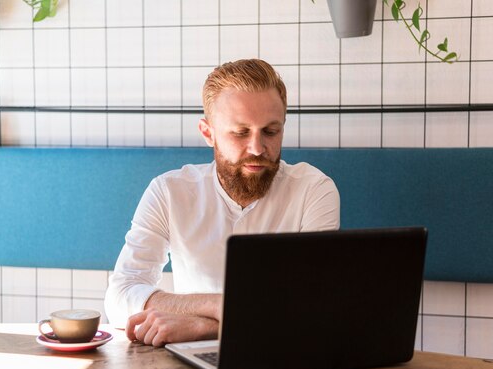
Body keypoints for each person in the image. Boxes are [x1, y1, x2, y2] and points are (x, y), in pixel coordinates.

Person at [104, 58, 340, 347]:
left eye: (271, 131)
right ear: (208, 133)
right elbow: (119, 297)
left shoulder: (314, 190)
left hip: (283, 353)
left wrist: (202, 327)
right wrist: (217, 306)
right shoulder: (168, 192)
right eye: (241, 132)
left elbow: (312, 306)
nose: (257, 148)